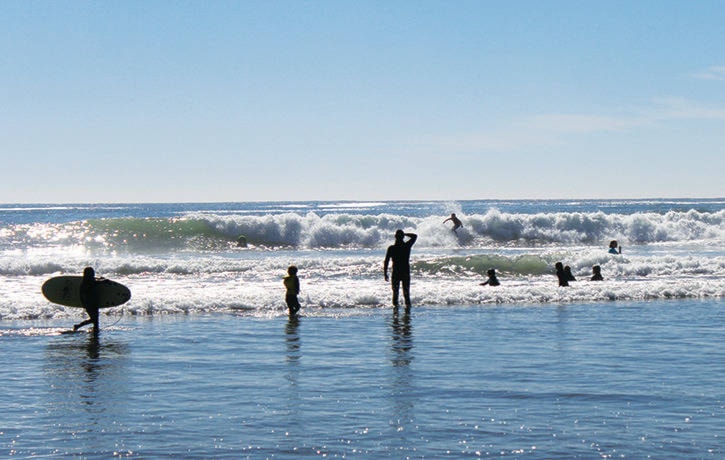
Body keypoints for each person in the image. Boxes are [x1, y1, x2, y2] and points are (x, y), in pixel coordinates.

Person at [384, 230, 418, 307]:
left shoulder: (391, 248)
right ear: (403, 237)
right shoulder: (406, 246)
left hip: (396, 272)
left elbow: (386, 261)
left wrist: (385, 273)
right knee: (406, 294)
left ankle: (395, 314)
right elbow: (414, 236)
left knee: (395, 294)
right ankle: (407, 314)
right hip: (405, 272)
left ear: (395, 237)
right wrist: (405, 234)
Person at [74, 266, 101, 333]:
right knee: (94, 319)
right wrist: (104, 281)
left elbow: (96, 283)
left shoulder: (88, 281)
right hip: (89, 304)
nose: (93, 273)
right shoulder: (86, 283)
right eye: (92, 272)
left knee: (95, 320)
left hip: (93, 302)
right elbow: (83, 293)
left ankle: (95, 330)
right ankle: (78, 326)